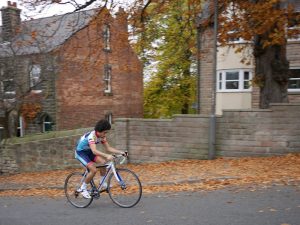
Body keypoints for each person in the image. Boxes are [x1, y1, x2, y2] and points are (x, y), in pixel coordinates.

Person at [75, 119, 126, 199]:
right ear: (99, 131)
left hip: (89, 152)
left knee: (104, 163)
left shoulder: (102, 136)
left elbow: (108, 148)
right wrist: (106, 155)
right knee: (93, 170)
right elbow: (94, 151)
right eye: (104, 132)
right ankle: (82, 188)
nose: (105, 134)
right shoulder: (92, 137)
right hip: (81, 153)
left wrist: (121, 152)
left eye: (106, 132)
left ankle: (102, 183)